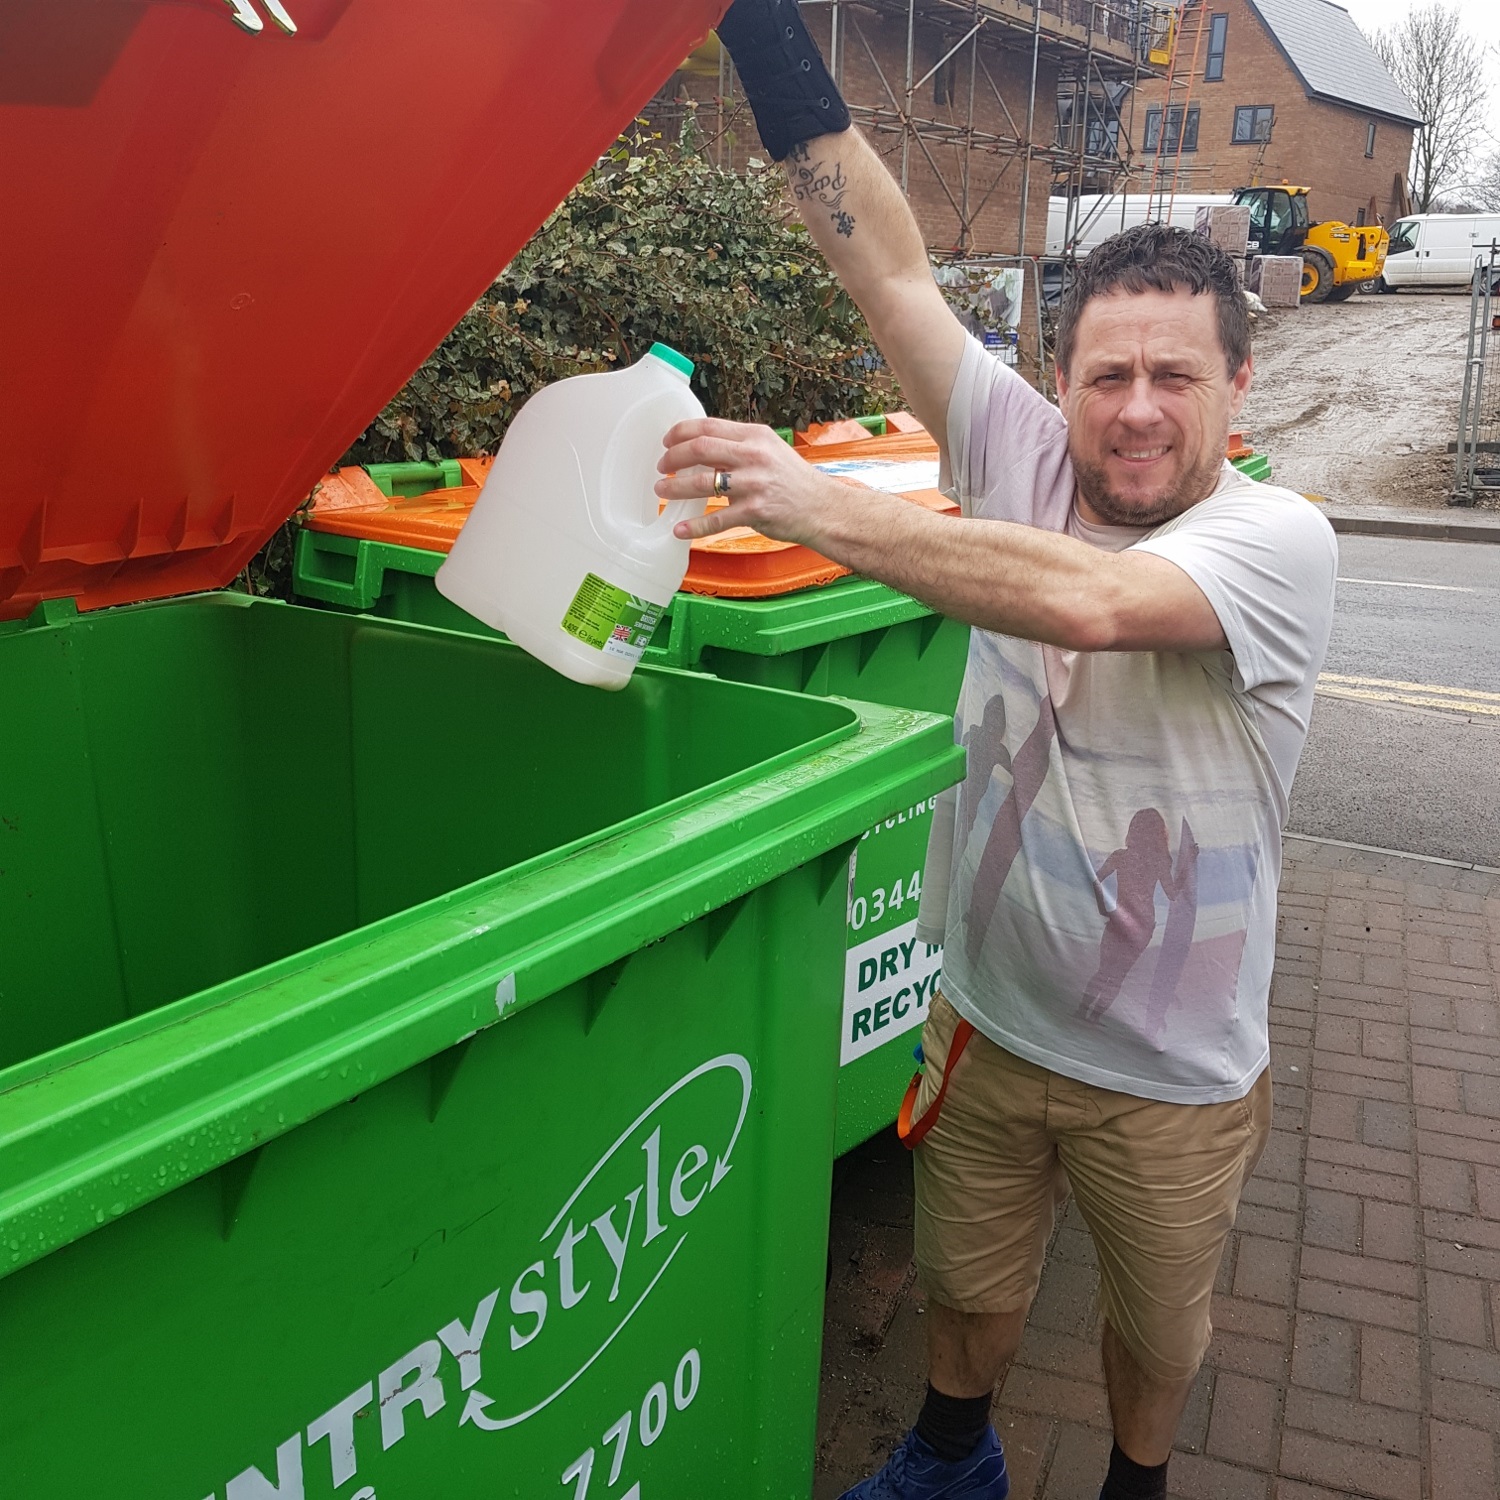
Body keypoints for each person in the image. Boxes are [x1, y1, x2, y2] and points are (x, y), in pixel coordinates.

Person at [658, 5, 1337, 1498]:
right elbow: (884, 260)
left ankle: (1135, 1482)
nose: (1137, 410)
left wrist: (814, 505)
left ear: (1237, 391)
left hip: (1177, 1064)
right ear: (1065, 380)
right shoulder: (1020, 453)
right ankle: (951, 1458)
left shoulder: (1277, 540)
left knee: (1156, 1331)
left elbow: (1091, 604)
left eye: (1175, 377)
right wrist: (761, 34)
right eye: (1106, 376)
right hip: (988, 1013)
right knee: (968, 1283)